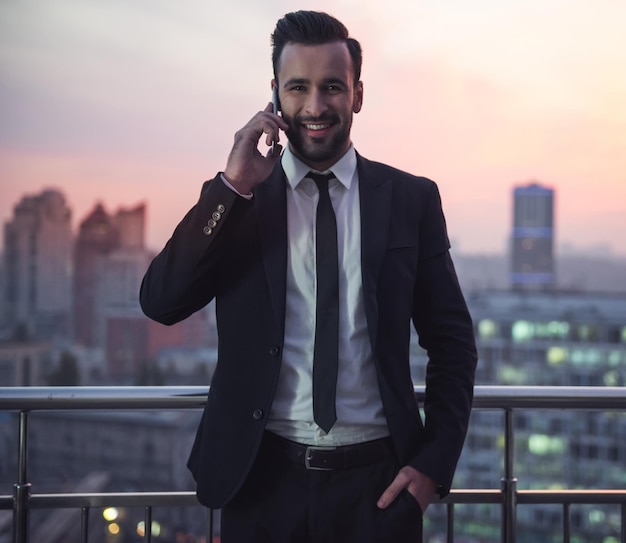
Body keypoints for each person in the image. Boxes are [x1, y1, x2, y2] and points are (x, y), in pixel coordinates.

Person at [140, 10, 477, 543]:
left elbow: (453, 343)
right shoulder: (241, 202)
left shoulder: (411, 199)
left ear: (357, 94)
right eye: (298, 87)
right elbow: (161, 301)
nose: (315, 107)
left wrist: (432, 465)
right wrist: (232, 186)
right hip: (261, 483)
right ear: (274, 94)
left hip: (380, 490)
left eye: (332, 88)